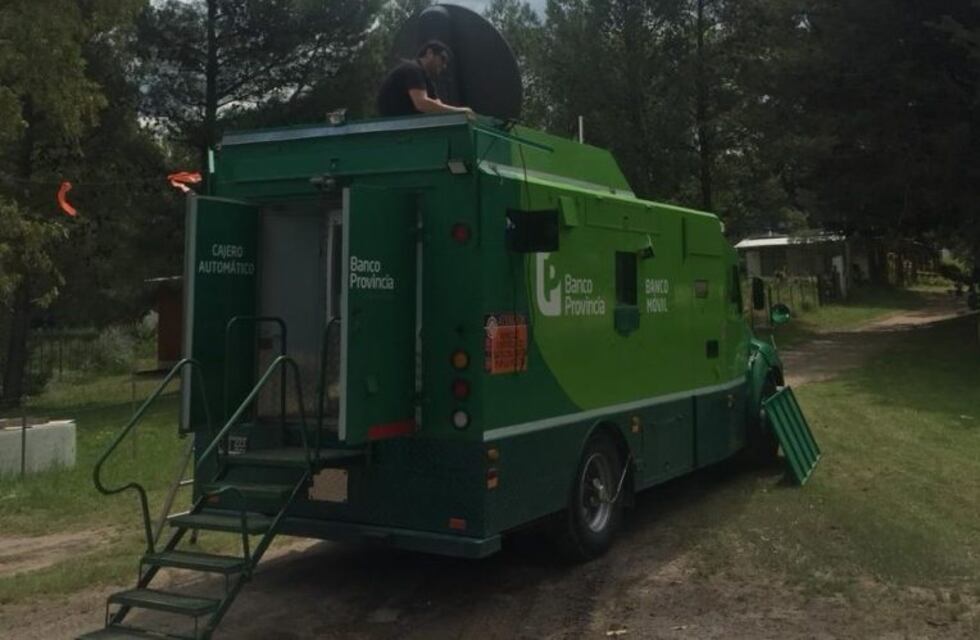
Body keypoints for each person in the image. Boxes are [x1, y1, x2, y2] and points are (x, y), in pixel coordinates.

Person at [376, 40, 475, 118]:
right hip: (396, 126)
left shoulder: (427, 81)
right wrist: (460, 112)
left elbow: (438, 106)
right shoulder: (412, 70)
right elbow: (422, 103)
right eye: (442, 59)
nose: (444, 66)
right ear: (429, 53)